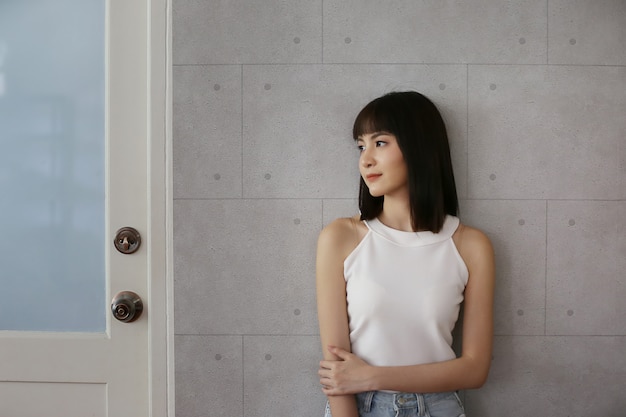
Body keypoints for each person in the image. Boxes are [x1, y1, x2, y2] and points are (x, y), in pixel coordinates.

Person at [316, 91, 495, 417]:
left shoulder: (471, 246)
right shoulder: (341, 238)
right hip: (357, 407)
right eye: (361, 146)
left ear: (419, 149)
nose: (365, 159)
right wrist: (359, 384)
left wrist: (372, 376)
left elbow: (475, 369)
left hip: (439, 408)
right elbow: (337, 372)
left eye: (379, 143)